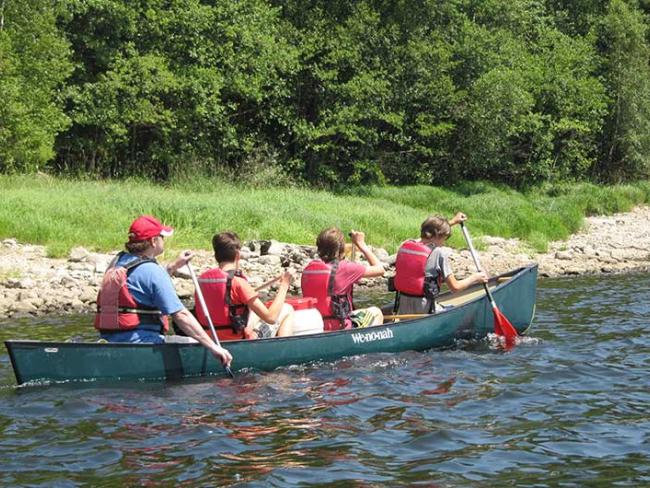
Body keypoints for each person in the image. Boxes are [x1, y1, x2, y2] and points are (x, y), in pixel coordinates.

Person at [94, 215, 232, 366]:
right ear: (153, 241)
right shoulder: (153, 271)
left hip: (110, 340)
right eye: (161, 237)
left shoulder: (117, 262)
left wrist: (173, 266)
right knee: (196, 343)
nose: (163, 240)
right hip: (143, 344)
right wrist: (213, 346)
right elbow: (181, 315)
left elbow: (142, 282)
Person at [195, 231, 294, 341]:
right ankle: (283, 350)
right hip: (238, 340)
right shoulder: (238, 283)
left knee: (254, 312)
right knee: (287, 308)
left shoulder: (201, 281)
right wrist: (284, 285)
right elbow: (271, 318)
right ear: (238, 255)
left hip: (211, 340)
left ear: (216, 255)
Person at [392, 212, 488, 315]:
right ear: (438, 236)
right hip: (425, 310)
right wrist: (476, 277)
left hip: (403, 308)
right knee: (455, 309)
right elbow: (455, 287)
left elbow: (426, 238)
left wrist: (452, 222)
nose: (443, 243)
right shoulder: (438, 253)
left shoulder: (406, 245)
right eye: (444, 239)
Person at [301, 227, 385, 330]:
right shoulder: (345, 267)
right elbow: (380, 269)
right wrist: (361, 244)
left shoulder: (309, 269)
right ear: (340, 249)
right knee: (376, 312)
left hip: (316, 325)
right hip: (340, 327)